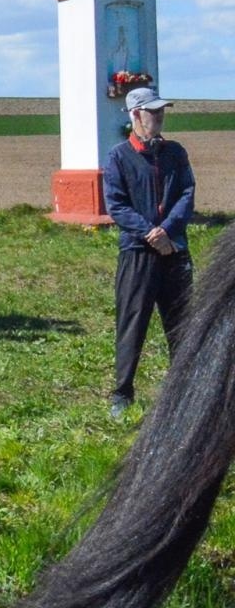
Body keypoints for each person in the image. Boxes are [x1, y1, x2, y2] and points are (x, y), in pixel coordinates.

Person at [102, 86, 195, 420]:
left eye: (161, 111)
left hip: (174, 250)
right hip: (137, 254)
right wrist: (149, 233)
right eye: (153, 111)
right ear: (135, 115)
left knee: (183, 326)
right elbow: (116, 204)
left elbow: (187, 193)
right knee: (132, 324)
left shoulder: (176, 152)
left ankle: (185, 393)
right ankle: (122, 394)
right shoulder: (117, 157)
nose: (159, 116)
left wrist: (167, 232)